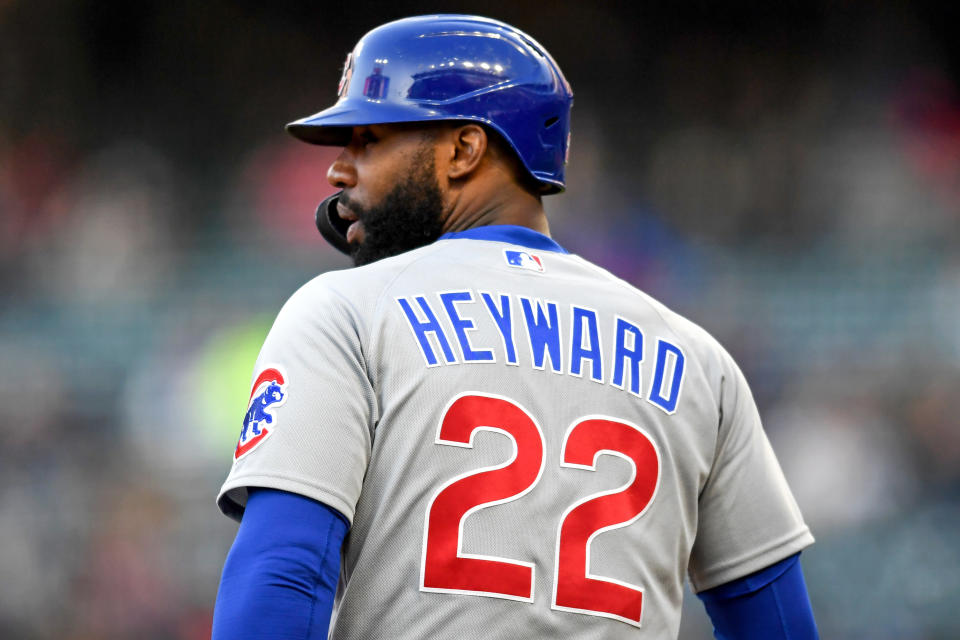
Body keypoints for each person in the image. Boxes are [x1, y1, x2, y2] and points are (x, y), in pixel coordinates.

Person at [212, 14, 819, 639]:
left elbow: (281, 574)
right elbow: (777, 622)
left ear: (463, 150)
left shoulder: (348, 311)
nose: (338, 171)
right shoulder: (698, 359)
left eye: (367, 139)